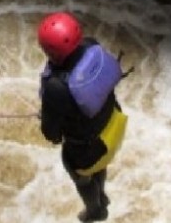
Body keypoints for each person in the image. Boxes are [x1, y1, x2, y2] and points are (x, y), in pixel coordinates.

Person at [38, 12, 129, 222]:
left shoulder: (56, 87)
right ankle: (102, 195)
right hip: (114, 129)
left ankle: (95, 211)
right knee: (99, 166)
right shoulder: (91, 45)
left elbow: (51, 134)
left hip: (88, 152)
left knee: (80, 175)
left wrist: (49, 114)